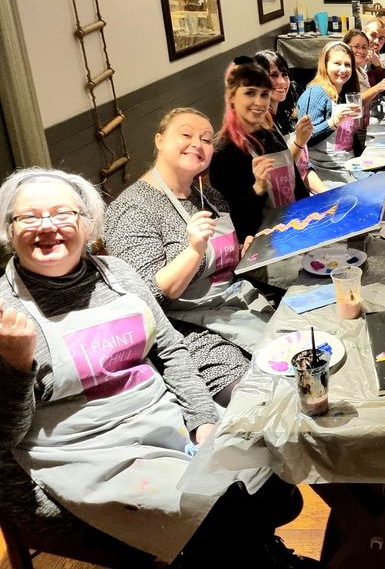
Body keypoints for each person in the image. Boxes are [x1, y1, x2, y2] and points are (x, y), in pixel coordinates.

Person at [0, 168, 318, 568]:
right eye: (29, 217)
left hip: (159, 419)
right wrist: (15, 366)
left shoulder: (118, 275)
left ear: (86, 222)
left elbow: (171, 349)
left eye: (63, 213)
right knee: (218, 507)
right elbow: (4, 437)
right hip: (82, 455)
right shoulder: (4, 311)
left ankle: (259, 552)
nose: (48, 227)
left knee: (271, 473)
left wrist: (201, 417)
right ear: (9, 230)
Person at [104, 108, 277, 403]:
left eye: (207, 140)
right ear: (159, 140)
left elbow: (224, 262)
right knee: (259, 398)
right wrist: (193, 251)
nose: (197, 144)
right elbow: (145, 296)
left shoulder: (208, 196)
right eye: (186, 134)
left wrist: (243, 254)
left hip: (236, 304)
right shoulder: (133, 209)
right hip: (186, 331)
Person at [209, 63, 313, 243]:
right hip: (263, 248)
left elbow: (297, 187)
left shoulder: (271, 134)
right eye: (250, 93)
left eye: (264, 94)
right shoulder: (223, 151)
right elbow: (230, 220)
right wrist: (257, 188)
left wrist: (313, 219)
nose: (259, 102)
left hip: (298, 233)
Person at [294, 41, 364, 184]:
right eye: (337, 63)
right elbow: (305, 139)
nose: (343, 69)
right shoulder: (316, 92)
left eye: (347, 64)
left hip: (349, 167)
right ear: (325, 65)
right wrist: (333, 122)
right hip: (324, 174)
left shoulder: (345, 93)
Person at [253, 50, 302, 136]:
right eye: (273, 75)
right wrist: (300, 142)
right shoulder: (257, 124)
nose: (282, 81)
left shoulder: (282, 114)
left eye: (284, 74)